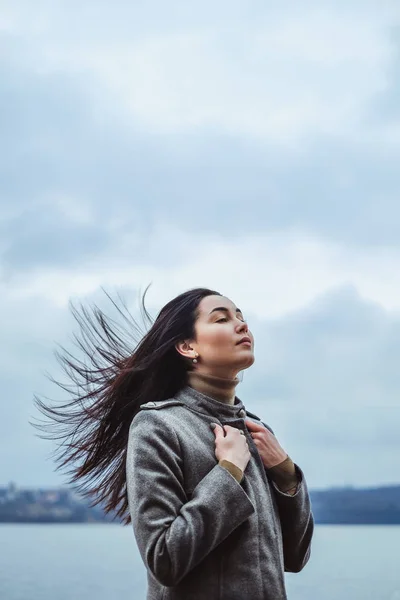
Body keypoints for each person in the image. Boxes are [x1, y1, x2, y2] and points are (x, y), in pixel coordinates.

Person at [34, 286, 314, 600]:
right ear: (187, 346)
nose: (242, 325)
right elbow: (164, 559)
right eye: (221, 319)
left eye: (241, 317)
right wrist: (229, 472)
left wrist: (287, 475)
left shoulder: (258, 432)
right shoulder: (159, 425)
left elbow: (295, 557)